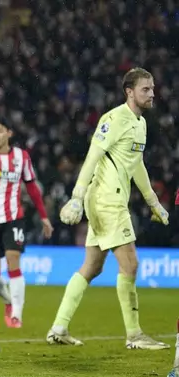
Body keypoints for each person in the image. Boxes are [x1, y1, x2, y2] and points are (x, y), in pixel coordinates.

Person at [48, 67, 169, 350]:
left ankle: (59, 327)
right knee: (130, 264)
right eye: (145, 89)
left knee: (92, 267)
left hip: (108, 199)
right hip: (107, 200)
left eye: (152, 89)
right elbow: (93, 156)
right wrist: (76, 196)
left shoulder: (140, 123)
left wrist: (153, 202)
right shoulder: (114, 119)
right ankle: (135, 335)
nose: (152, 94)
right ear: (129, 92)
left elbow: (136, 164)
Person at [0, 116, 53, 328]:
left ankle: (17, 314)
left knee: (13, 259)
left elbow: (32, 188)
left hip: (14, 218)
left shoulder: (21, 157)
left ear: (9, 133)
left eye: (0, 131)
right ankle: (9, 301)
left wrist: (44, 216)